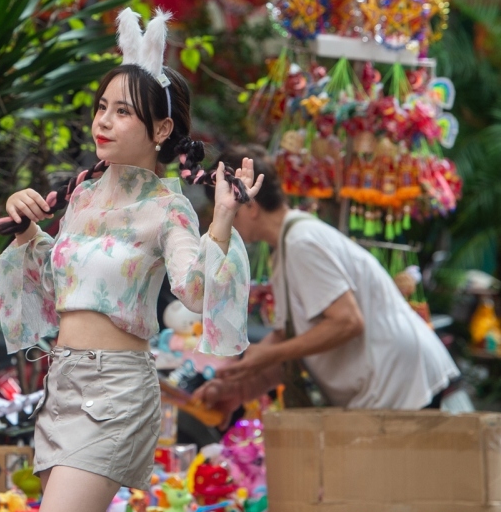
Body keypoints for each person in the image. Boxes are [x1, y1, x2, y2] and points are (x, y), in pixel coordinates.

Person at [0, 9, 261, 512]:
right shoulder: (80, 192)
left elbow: (196, 290)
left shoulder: (169, 207)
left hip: (117, 389)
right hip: (67, 382)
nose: (104, 121)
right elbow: (67, 292)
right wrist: (30, 237)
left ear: (163, 129)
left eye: (123, 112)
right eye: (102, 107)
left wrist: (223, 217)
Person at [196, 147, 458, 414]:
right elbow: (288, 339)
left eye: (226, 211)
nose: (224, 223)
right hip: (394, 384)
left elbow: (347, 321)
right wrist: (239, 386)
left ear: (250, 206)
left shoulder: (301, 242)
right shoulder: (287, 246)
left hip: (402, 384)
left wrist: (270, 354)